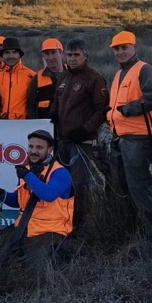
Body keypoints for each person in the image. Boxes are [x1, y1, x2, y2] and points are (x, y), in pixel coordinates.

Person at [106, 30, 152, 250]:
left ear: (134, 47)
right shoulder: (119, 74)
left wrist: (129, 109)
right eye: (117, 49)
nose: (120, 52)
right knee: (128, 188)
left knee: (143, 190)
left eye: (124, 48)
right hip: (121, 139)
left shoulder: (144, 69)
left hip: (139, 140)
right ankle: (139, 232)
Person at [0, 129, 74, 271]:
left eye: (39, 147)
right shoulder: (27, 170)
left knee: (34, 270)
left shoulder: (60, 172)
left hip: (49, 230)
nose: (33, 151)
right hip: (24, 226)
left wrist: (27, 176)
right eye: (31, 146)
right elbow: (19, 202)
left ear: (50, 150)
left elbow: (48, 195)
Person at [50, 38, 109, 225]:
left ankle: (78, 225)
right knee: (62, 183)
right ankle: (62, 220)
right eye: (69, 55)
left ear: (86, 56)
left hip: (82, 142)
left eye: (76, 55)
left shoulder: (94, 78)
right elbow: (57, 101)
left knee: (79, 184)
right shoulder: (64, 77)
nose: (72, 58)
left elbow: (102, 110)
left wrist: (85, 129)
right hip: (63, 140)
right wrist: (52, 114)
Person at [0, 37, 36, 119]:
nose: (11, 56)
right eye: (7, 52)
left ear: (19, 55)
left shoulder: (31, 76)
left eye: (14, 52)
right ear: (2, 55)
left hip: (22, 123)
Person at [27, 38, 66, 119]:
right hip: (46, 125)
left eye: (53, 52)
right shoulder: (37, 79)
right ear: (43, 56)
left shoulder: (73, 74)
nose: (50, 57)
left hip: (69, 123)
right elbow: (31, 106)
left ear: (61, 53)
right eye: (47, 54)